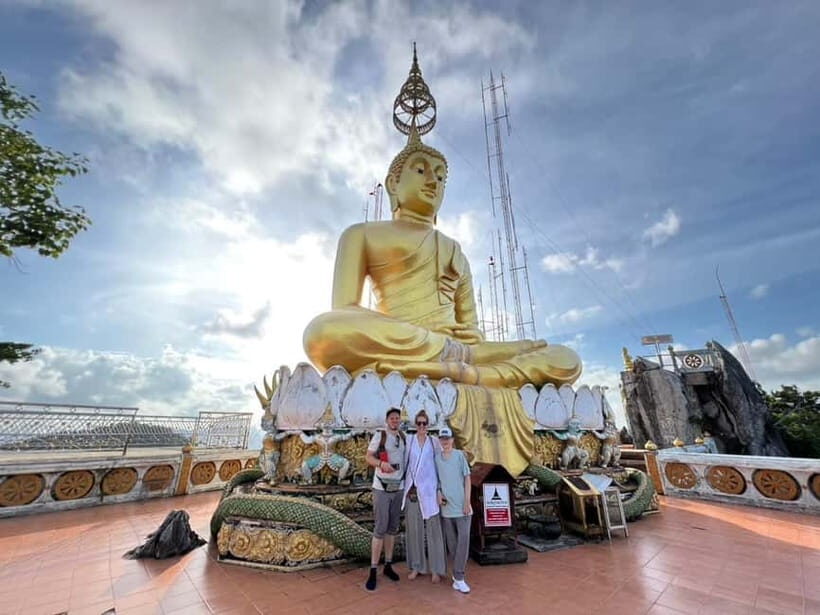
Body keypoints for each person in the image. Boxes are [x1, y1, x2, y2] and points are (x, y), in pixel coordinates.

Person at [364, 407, 406, 591]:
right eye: (392, 418)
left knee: (392, 528)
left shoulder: (403, 437)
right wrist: (381, 463)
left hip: (399, 487)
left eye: (397, 418)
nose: (395, 421)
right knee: (380, 528)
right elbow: (368, 457)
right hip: (381, 486)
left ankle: (388, 564)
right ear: (387, 420)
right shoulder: (380, 436)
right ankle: (373, 569)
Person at [403, 409, 446, 582]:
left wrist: (439, 490)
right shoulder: (409, 440)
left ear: (428, 425)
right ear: (415, 424)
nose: (421, 426)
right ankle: (417, 566)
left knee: (434, 530)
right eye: (419, 423)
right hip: (412, 491)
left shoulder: (434, 442)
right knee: (414, 530)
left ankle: (436, 569)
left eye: (424, 423)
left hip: (429, 490)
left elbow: (440, 466)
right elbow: (403, 462)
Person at [434, 427, 472, 593]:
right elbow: (436, 481)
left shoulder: (459, 456)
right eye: (442, 439)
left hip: (462, 507)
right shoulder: (436, 459)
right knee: (453, 544)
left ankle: (459, 576)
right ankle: (457, 577)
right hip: (447, 507)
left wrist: (467, 501)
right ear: (440, 441)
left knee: (463, 541)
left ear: (452, 440)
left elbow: (467, 478)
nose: (445, 442)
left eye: (447, 439)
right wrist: (438, 493)